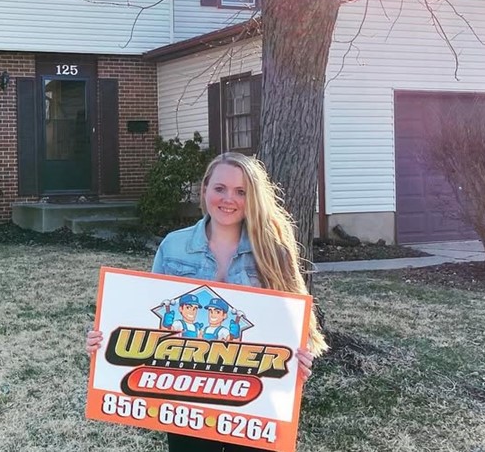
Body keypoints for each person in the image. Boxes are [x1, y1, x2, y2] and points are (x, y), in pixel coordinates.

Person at [85, 152, 328, 452]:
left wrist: (300, 358)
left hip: (254, 400)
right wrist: (105, 339)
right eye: (220, 188)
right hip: (186, 399)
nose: (229, 199)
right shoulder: (174, 247)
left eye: (241, 192)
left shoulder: (272, 250)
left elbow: (296, 325)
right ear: (205, 190)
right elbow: (146, 320)